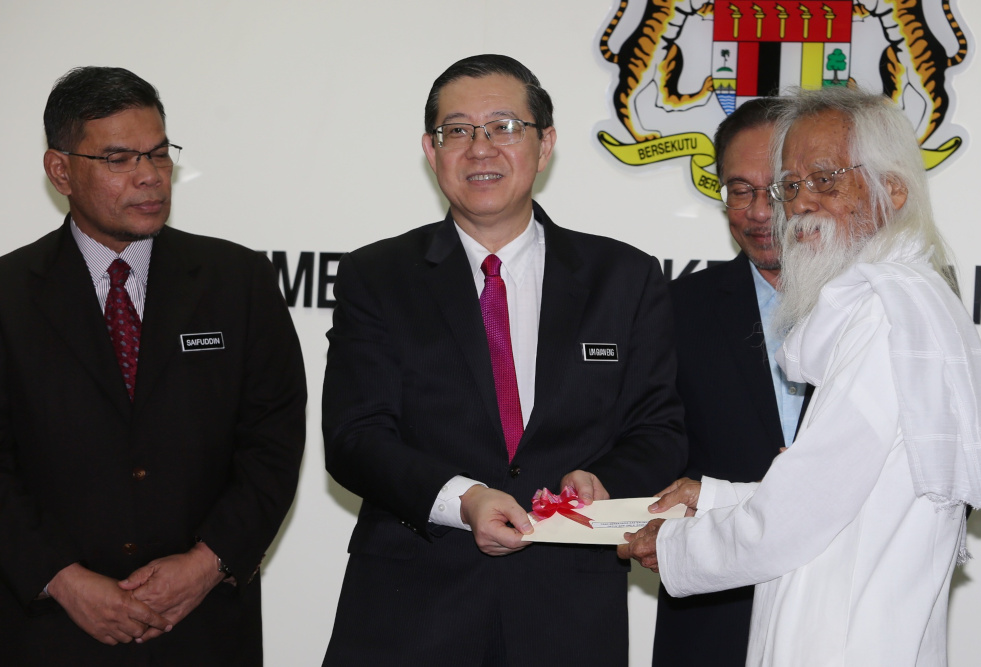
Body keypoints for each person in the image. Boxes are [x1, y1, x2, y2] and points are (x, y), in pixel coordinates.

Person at [322, 54, 686, 666]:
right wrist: (463, 499)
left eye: (504, 127)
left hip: (567, 613)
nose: (480, 148)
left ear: (545, 146)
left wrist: (604, 483)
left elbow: (659, 431)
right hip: (412, 612)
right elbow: (356, 437)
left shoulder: (623, 277)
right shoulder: (377, 276)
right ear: (431, 150)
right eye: (457, 130)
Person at [620, 85, 981, 666]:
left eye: (825, 179)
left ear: (892, 188)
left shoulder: (884, 314)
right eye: (790, 186)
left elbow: (800, 515)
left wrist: (676, 548)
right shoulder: (901, 299)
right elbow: (851, 496)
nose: (797, 204)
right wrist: (717, 496)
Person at [0, 67, 307, 666]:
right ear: (60, 171)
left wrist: (206, 565)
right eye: (118, 159)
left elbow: (273, 444)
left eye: (159, 154)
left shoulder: (238, 282)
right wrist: (62, 579)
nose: (150, 176)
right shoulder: (9, 294)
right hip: (49, 629)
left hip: (203, 626)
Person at [653, 97, 806, 666]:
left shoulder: (876, 310)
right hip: (714, 618)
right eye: (740, 191)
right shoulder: (673, 310)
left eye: (779, 189)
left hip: (846, 608)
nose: (760, 212)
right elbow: (648, 447)